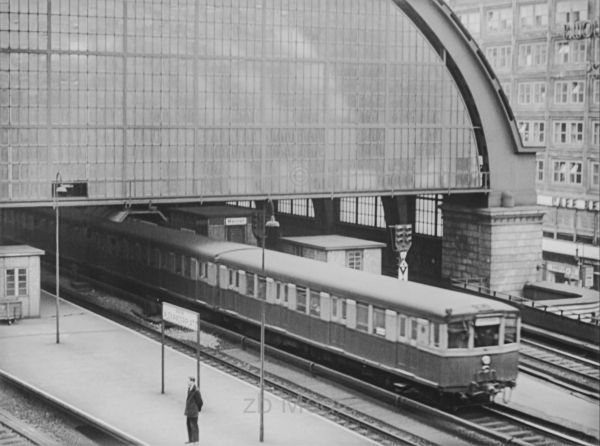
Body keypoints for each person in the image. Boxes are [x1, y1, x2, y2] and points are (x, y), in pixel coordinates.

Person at [184, 376, 203, 444]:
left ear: (192, 381)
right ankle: (191, 439)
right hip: (189, 411)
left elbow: (200, 401)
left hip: (193, 411)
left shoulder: (196, 390)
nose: (187, 382)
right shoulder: (189, 388)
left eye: (188, 381)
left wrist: (198, 409)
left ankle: (196, 440)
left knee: (194, 425)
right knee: (188, 424)